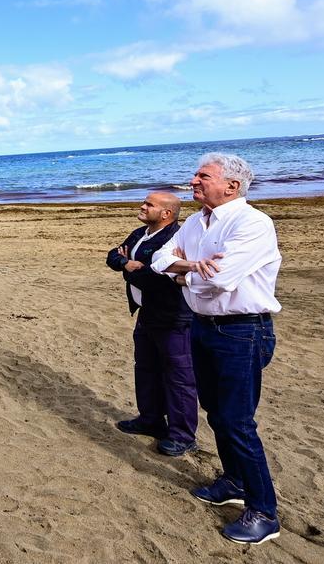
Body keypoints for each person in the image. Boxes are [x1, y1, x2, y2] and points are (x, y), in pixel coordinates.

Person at [150, 153, 282, 546]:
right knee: (216, 414)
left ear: (232, 186)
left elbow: (221, 280)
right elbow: (158, 258)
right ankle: (234, 480)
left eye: (203, 176)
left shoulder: (253, 223)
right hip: (203, 327)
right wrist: (192, 268)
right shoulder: (194, 222)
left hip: (242, 332)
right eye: (195, 175)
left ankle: (264, 512)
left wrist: (181, 275)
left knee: (238, 421)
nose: (193, 181)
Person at [106, 192, 197, 456]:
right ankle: (151, 420)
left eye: (149, 204)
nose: (142, 206)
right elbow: (113, 256)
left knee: (178, 377)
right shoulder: (139, 233)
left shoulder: (174, 238)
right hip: (146, 313)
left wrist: (135, 270)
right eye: (144, 202)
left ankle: (182, 435)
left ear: (167, 213)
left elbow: (159, 278)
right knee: (145, 368)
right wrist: (125, 262)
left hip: (172, 317)